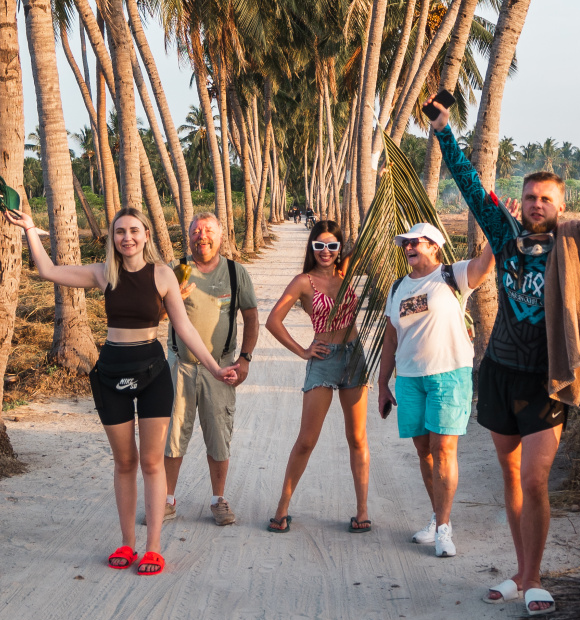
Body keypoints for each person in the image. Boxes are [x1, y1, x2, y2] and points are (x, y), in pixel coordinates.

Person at [430, 101, 580, 615]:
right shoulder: (504, 237)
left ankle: (533, 577)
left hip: (544, 380)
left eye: (545, 199)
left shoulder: (577, 245)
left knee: (534, 479)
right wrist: (443, 131)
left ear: (560, 206)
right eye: (530, 196)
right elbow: (470, 186)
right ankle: (521, 570)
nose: (535, 204)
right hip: (499, 374)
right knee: (511, 478)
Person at [4, 202, 238, 574]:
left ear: (146, 235)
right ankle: (128, 544)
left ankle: (153, 547)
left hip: (152, 373)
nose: (127, 238)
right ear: (113, 238)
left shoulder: (162, 275)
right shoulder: (103, 273)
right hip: (111, 372)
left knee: (151, 462)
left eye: (133, 231)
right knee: (125, 462)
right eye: (120, 232)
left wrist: (214, 368)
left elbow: (185, 328)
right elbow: (48, 271)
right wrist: (30, 227)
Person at [377, 221, 495, 558]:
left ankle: (443, 528)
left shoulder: (452, 275)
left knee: (443, 448)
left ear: (434, 246)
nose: (409, 247)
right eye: (406, 243)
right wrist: (383, 383)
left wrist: (496, 226)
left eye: (416, 242)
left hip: (449, 375)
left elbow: (484, 264)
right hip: (409, 378)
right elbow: (390, 338)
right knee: (423, 451)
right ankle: (438, 515)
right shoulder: (397, 287)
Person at [265, 218, 370, 532]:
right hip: (323, 359)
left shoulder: (346, 272)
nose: (326, 251)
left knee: (357, 438)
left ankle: (362, 512)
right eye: (319, 245)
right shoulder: (303, 282)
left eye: (332, 245)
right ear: (312, 247)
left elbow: (368, 234)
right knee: (306, 440)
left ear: (339, 248)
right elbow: (273, 321)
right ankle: (282, 509)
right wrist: (302, 351)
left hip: (353, 356)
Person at [163, 212, 259, 526]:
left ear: (220, 236)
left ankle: (218, 500)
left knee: (219, 435)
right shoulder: (176, 270)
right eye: (196, 231)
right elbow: (156, 314)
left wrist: (245, 359)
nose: (201, 236)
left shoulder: (235, 272)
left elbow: (251, 317)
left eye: (208, 231)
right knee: (173, 435)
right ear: (188, 236)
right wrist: (171, 298)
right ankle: (166, 500)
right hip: (181, 368)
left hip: (222, 368)